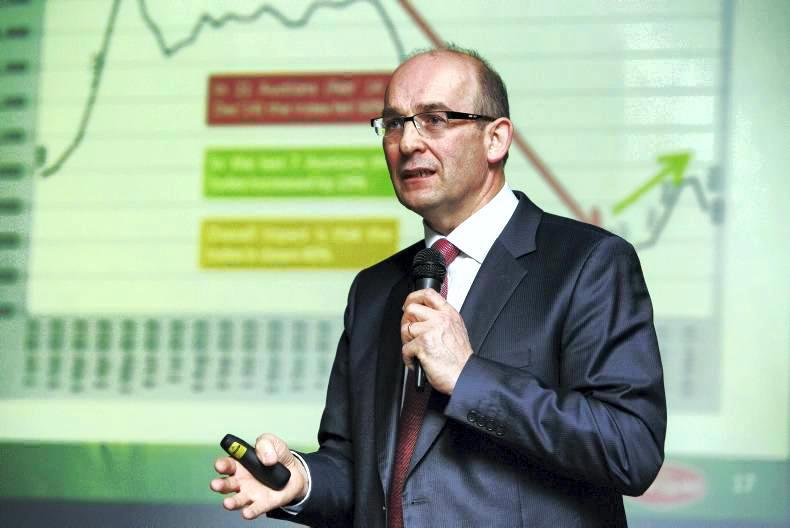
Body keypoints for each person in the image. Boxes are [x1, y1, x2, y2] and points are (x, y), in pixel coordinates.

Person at [210, 45, 666, 527]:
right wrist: (301, 481)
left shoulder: (588, 263)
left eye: (435, 119)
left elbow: (630, 449)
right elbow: (362, 475)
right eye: (394, 123)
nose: (407, 142)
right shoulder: (374, 289)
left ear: (496, 138)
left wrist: (468, 376)